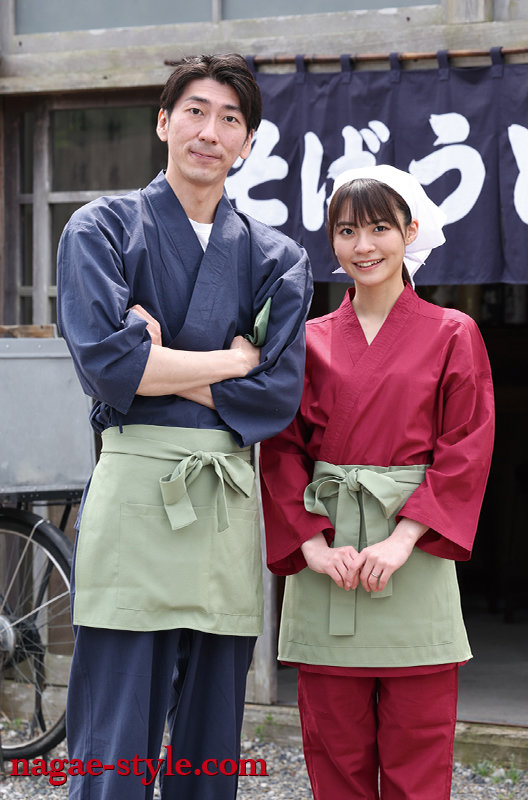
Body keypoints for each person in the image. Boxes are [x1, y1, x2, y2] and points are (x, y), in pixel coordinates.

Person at [57, 53, 312, 800]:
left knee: (211, 734)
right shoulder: (100, 229)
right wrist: (233, 363)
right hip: (136, 491)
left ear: (248, 142)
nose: (210, 132)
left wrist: (161, 360)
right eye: (195, 111)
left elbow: (277, 397)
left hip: (222, 502)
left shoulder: (278, 259)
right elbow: (111, 367)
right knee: (115, 734)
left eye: (230, 119)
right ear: (164, 121)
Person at [260, 164, 494, 800]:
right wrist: (312, 547)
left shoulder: (454, 332)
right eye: (346, 231)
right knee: (335, 761)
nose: (362, 246)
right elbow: (281, 451)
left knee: (420, 759)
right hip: (329, 560)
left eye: (379, 229)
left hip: (413, 556)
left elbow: (465, 448)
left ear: (410, 232)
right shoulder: (307, 340)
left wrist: (402, 539)